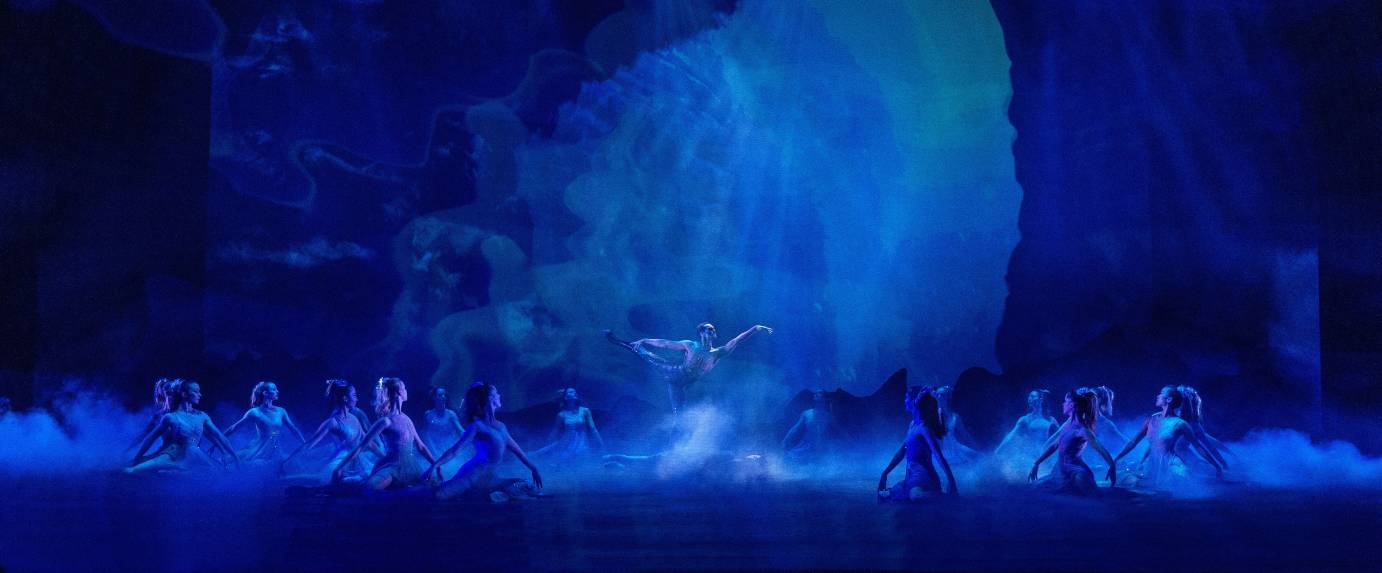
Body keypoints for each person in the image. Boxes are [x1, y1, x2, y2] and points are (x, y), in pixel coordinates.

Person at [605, 323, 773, 414]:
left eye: (712, 330)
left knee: (679, 414)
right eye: (707, 330)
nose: (711, 331)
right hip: (673, 372)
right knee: (645, 354)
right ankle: (617, 340)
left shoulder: (718, 353)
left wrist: (756, 328)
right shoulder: (690, 345)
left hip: (681, 384)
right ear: (701, 334)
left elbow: (737, 340)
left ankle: (674, 448)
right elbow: (665, 343)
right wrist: (646, 340)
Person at [427, 382, 544, 501]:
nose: (499, 395)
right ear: (489, 398)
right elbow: (455, 451)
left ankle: (488, 494)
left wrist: (533, 468)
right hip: (472, 475)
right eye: (496, 393)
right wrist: (435, 465)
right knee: (438, 495)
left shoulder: (501, 427)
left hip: (490, 477)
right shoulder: (477, 426)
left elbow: (518, 452)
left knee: (527, 486)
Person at [332, 377, 441, 490]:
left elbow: (421, 446)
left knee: (432, 486)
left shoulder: (407, 419)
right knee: (369, 488)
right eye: (404, 388)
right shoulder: (386, 421)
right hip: (392, 466)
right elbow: (361, 446)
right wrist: (339, 468)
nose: (406, 390)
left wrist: (436, 465)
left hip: (411, 466)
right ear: (399, 392)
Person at [1111, 386, 1223, 489]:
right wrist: (1115, 459)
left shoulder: (1180, 423)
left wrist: (1216, 466)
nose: (1157, 396)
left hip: (1170, 463)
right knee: (1135, 483)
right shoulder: (1151, 419)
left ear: (1169, 400)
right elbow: (1133, 442)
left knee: (1174, 485)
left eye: (1161, 394)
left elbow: (1198, 447)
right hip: (1152, 463)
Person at [127, 379, 239, 473]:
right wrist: (135, 454)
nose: (170, 396)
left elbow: (211, 435)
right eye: (168, 393)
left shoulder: (198, 415)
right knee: (139, 465)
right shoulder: (164, 416)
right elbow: (147, 437)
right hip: (169, 452)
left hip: (189, 452)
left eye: (172, 393)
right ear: (163, 395)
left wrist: (224, 452)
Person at [280, 380, 376, 483]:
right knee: (320, 481)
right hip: (342, 462)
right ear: (345, 398)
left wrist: (384, 456)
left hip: (358, 460)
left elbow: (368, 441)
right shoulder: (332, 422)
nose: (357, 399)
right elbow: (309, 444)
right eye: (354, 395)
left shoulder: (354, 418)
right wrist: (288, 461)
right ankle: (284, 479)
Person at [1028, 388, 1116, 495]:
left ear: (1072, 405)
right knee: (1031, 490)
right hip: (1059, 473)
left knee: (1088, 501)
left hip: (1075, 473)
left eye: (1066, 401)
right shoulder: (1068, 425)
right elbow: (1055, 445)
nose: (1063, 403)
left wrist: (1112, 466)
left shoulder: (1082, 429)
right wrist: (1036, 463)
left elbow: (1100, 447)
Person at [878, 386, 957, 502]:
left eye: (906, 398)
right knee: (883, 495)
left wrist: (951, 481)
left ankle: (949, 498)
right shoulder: (912, 426)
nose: (904, 401)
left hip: (924, 479)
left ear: (914, 401)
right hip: (911, 479)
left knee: (915, 496)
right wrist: (885, 473)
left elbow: (938, 455)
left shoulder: (923, 428)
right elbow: (901, 452)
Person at [225, 381, 307, 463]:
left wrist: (305, 445)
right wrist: (218, 441)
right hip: (259, 450)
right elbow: (233, 428)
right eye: (274, 389)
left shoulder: (281, 411)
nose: (277, 391)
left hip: (275, 449)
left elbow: (293, 429)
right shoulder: (254, 412)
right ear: (265, 393)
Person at [533, 388, 604, 464]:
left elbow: (593, 428)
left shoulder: (585, 410)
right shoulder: (561, 414)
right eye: (571, 391)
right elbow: (555, 431)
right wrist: (547, 446)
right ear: (566, 397)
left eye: (574, 391)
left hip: (581, 443)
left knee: (581, 462)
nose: (574, 392)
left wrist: (600, 443)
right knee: (558, 463)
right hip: (566, 442)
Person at [782, 390, 838, 463]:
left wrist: (849, 438)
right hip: (806, 444)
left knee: (820, 463)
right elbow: (795, 428)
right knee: (794, 460)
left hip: (821, 444)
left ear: (824, 402)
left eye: (821, 402)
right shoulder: (807, 414)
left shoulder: (828, 416)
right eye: (818, 401)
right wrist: (786, 440)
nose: (820, 403)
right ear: (814, 401)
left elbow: (839, 429)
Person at [933, 385, 980, 462]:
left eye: (941, 395)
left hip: (955, 448)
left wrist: (975, 446)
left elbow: (965, 434)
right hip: (940, 450)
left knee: (979, 456)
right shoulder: (934, 415)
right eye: (937, 394)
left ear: (947, 397)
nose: (938, 397)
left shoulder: (954, 417)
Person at [421, 385, 464, 456]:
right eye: (440, 395)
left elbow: (460, 431)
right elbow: (425, 434)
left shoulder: (451, 414)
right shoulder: (428, 415)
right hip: (434, 448)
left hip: (449, 448)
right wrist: (433, 451)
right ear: (434, 398)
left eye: (444, 395)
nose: (444, 397)